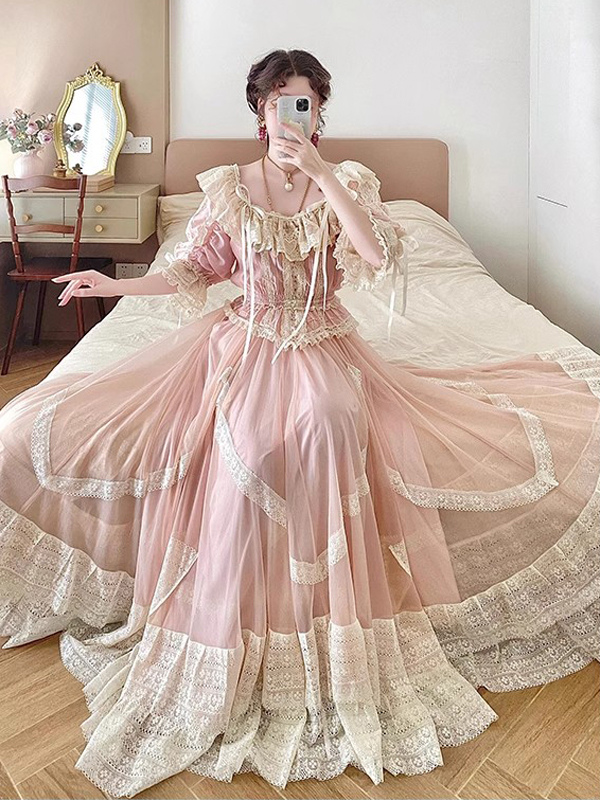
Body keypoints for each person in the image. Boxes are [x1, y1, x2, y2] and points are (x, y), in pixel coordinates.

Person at [0, 49, 599, 799]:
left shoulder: (348, 183)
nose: (291, 113)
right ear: (259, 113)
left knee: (331, 418)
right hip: (245, 341)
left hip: (325, 341)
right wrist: (113, 283)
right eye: (278, 101)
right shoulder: (227, 190)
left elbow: (375, 254)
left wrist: (322, 175)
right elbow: (191, 271)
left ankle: (335, 621)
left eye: (305, 101)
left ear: (320, 113)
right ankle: (244, 622)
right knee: (249, 441)